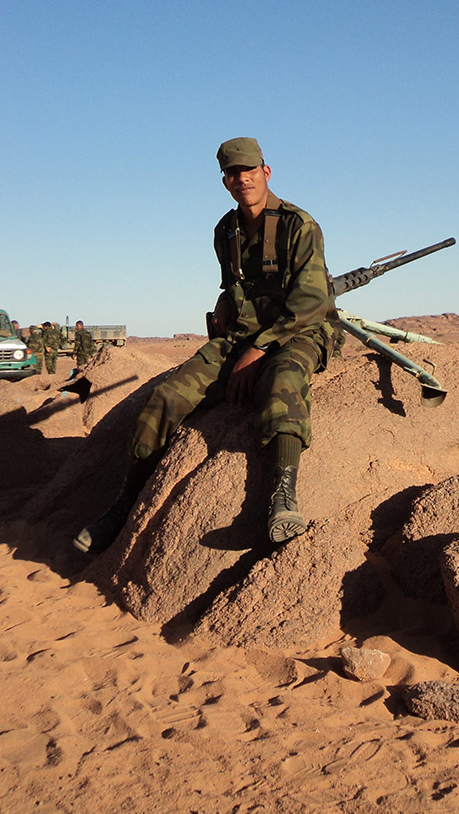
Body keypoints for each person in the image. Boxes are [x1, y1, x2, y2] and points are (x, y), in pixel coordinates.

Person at [74, 137, 338, 554]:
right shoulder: (226, 230)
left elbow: (310, 302)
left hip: (298, 331)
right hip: (241, 334)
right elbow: (234, 285)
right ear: (225, 181)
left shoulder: (298, 225)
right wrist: (224, 305)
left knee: (282, 385)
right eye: (233, 173)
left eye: (248, 170)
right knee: (165, 397)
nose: (242, 179)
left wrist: (258, 351)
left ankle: (283, 498)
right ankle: (123, 507)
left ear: (266, 173)